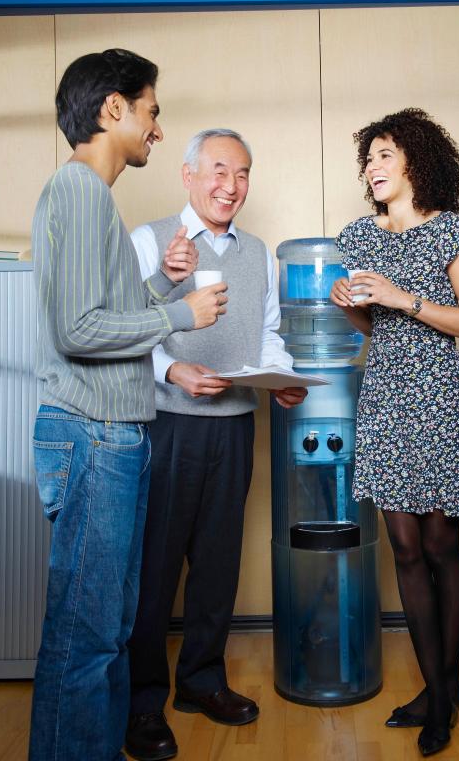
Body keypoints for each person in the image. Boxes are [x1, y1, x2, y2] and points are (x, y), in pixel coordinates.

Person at [29, 49, 226, 761]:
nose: (157, 130)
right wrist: (183, 319)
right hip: (93, 435)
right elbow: (78, 332)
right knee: (87, 638)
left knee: (107, 630)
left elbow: (103, 314)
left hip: (110, 435)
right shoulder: (79, 191)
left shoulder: (89, 200)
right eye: (151, 111)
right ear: (112, 109)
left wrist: (168, 290)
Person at [125, 128, 306, 761]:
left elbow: (269, 334)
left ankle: (200, 682)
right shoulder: (148, 240)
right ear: (188, 175)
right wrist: (172, 370)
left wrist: (279, 380)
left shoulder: (258, 253)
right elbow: (119, 329)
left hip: (235, 424)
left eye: (244, 174)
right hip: (165, 425)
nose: (232, 186)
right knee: (154, 568)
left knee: (218, 563)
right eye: (220, 171)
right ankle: (142, 702)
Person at [330, 108, 459, 758]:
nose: (371, 166)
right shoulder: (355, 238)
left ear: (416, 163)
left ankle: (442, 690)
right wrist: (357, 311)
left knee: (439, 546)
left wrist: (402, 298)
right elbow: (375, 332)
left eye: (384, 155)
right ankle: (436, 687)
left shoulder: (449, 233)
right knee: (402, 547)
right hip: (385, 399)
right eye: (366, 157)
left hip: (438, 399)